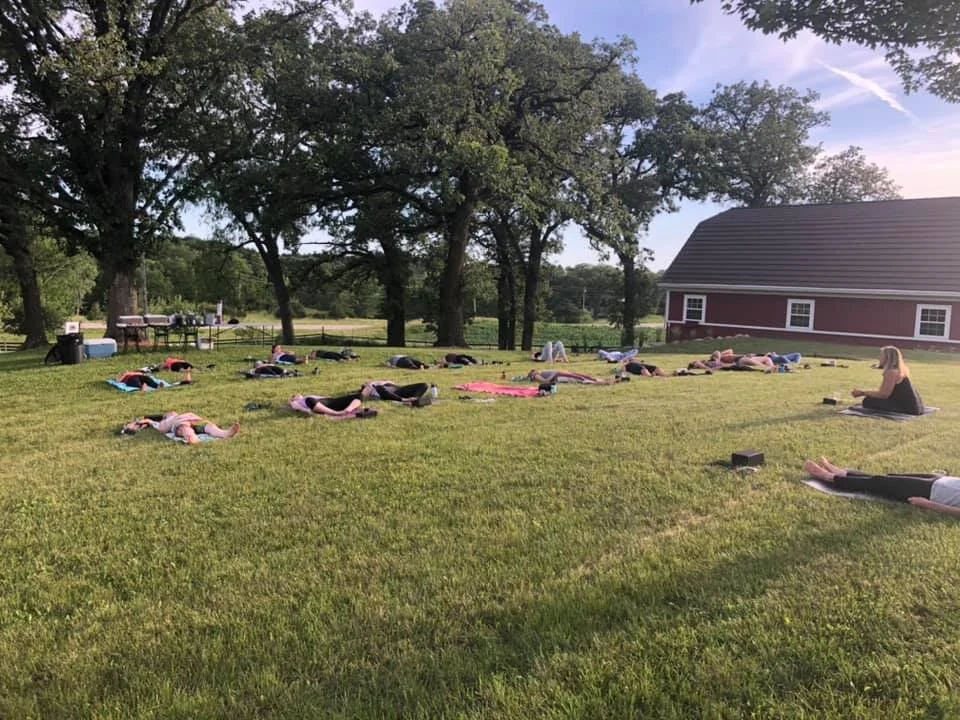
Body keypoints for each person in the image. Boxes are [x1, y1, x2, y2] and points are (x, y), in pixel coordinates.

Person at [803, 458, 960, 517]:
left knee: (880, 483)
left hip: (932, 493)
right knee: (887, 478)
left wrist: (927, 504)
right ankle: (844, 473)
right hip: (940, 481)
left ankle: (830, 478)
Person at [851, 345, 924, 415]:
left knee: (868, 401)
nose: (879, 357)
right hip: (916, 407)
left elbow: (884, 395)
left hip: (907, 408)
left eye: (881, 356)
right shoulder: (901, 369)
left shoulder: (891, 372)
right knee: (871, 398)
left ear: (888, 358)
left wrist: (863, 392)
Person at [122, 412, 240, 444]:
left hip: (189, 419)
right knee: (185, 428)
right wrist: (143, 421)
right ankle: (192, 438)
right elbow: (154, 424)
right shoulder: (163, 422)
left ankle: (225, 433)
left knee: (207, 426)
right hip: (180, 423)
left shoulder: (169, 417)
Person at [288, 393, 373, 418]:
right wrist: (306, 411)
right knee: (309, 400)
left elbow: (328, 398)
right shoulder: (298, 401)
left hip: (332, 401)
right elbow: (296, 406)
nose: (296, 395)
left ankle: (349, 409)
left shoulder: (308, 396)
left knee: (359, 395)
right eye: (294, 396)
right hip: (318, 406)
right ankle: (337, 413)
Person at [359, 381, 431, 403]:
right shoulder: (375, 388)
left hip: (400, 390)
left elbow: (392, 383)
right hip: (394, 395)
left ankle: (415, 399)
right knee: (380, 388)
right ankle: (408, 400)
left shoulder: (383, 384)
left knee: (424, 385)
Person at [527, 368, 613, 385]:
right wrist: (556, 373)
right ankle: (602, 383)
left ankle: (601, 380)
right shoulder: (535, 375)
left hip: (560, 373)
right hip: (559, 376)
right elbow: (546, 381)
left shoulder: (539, 373)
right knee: (580, 379)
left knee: (584, 376)